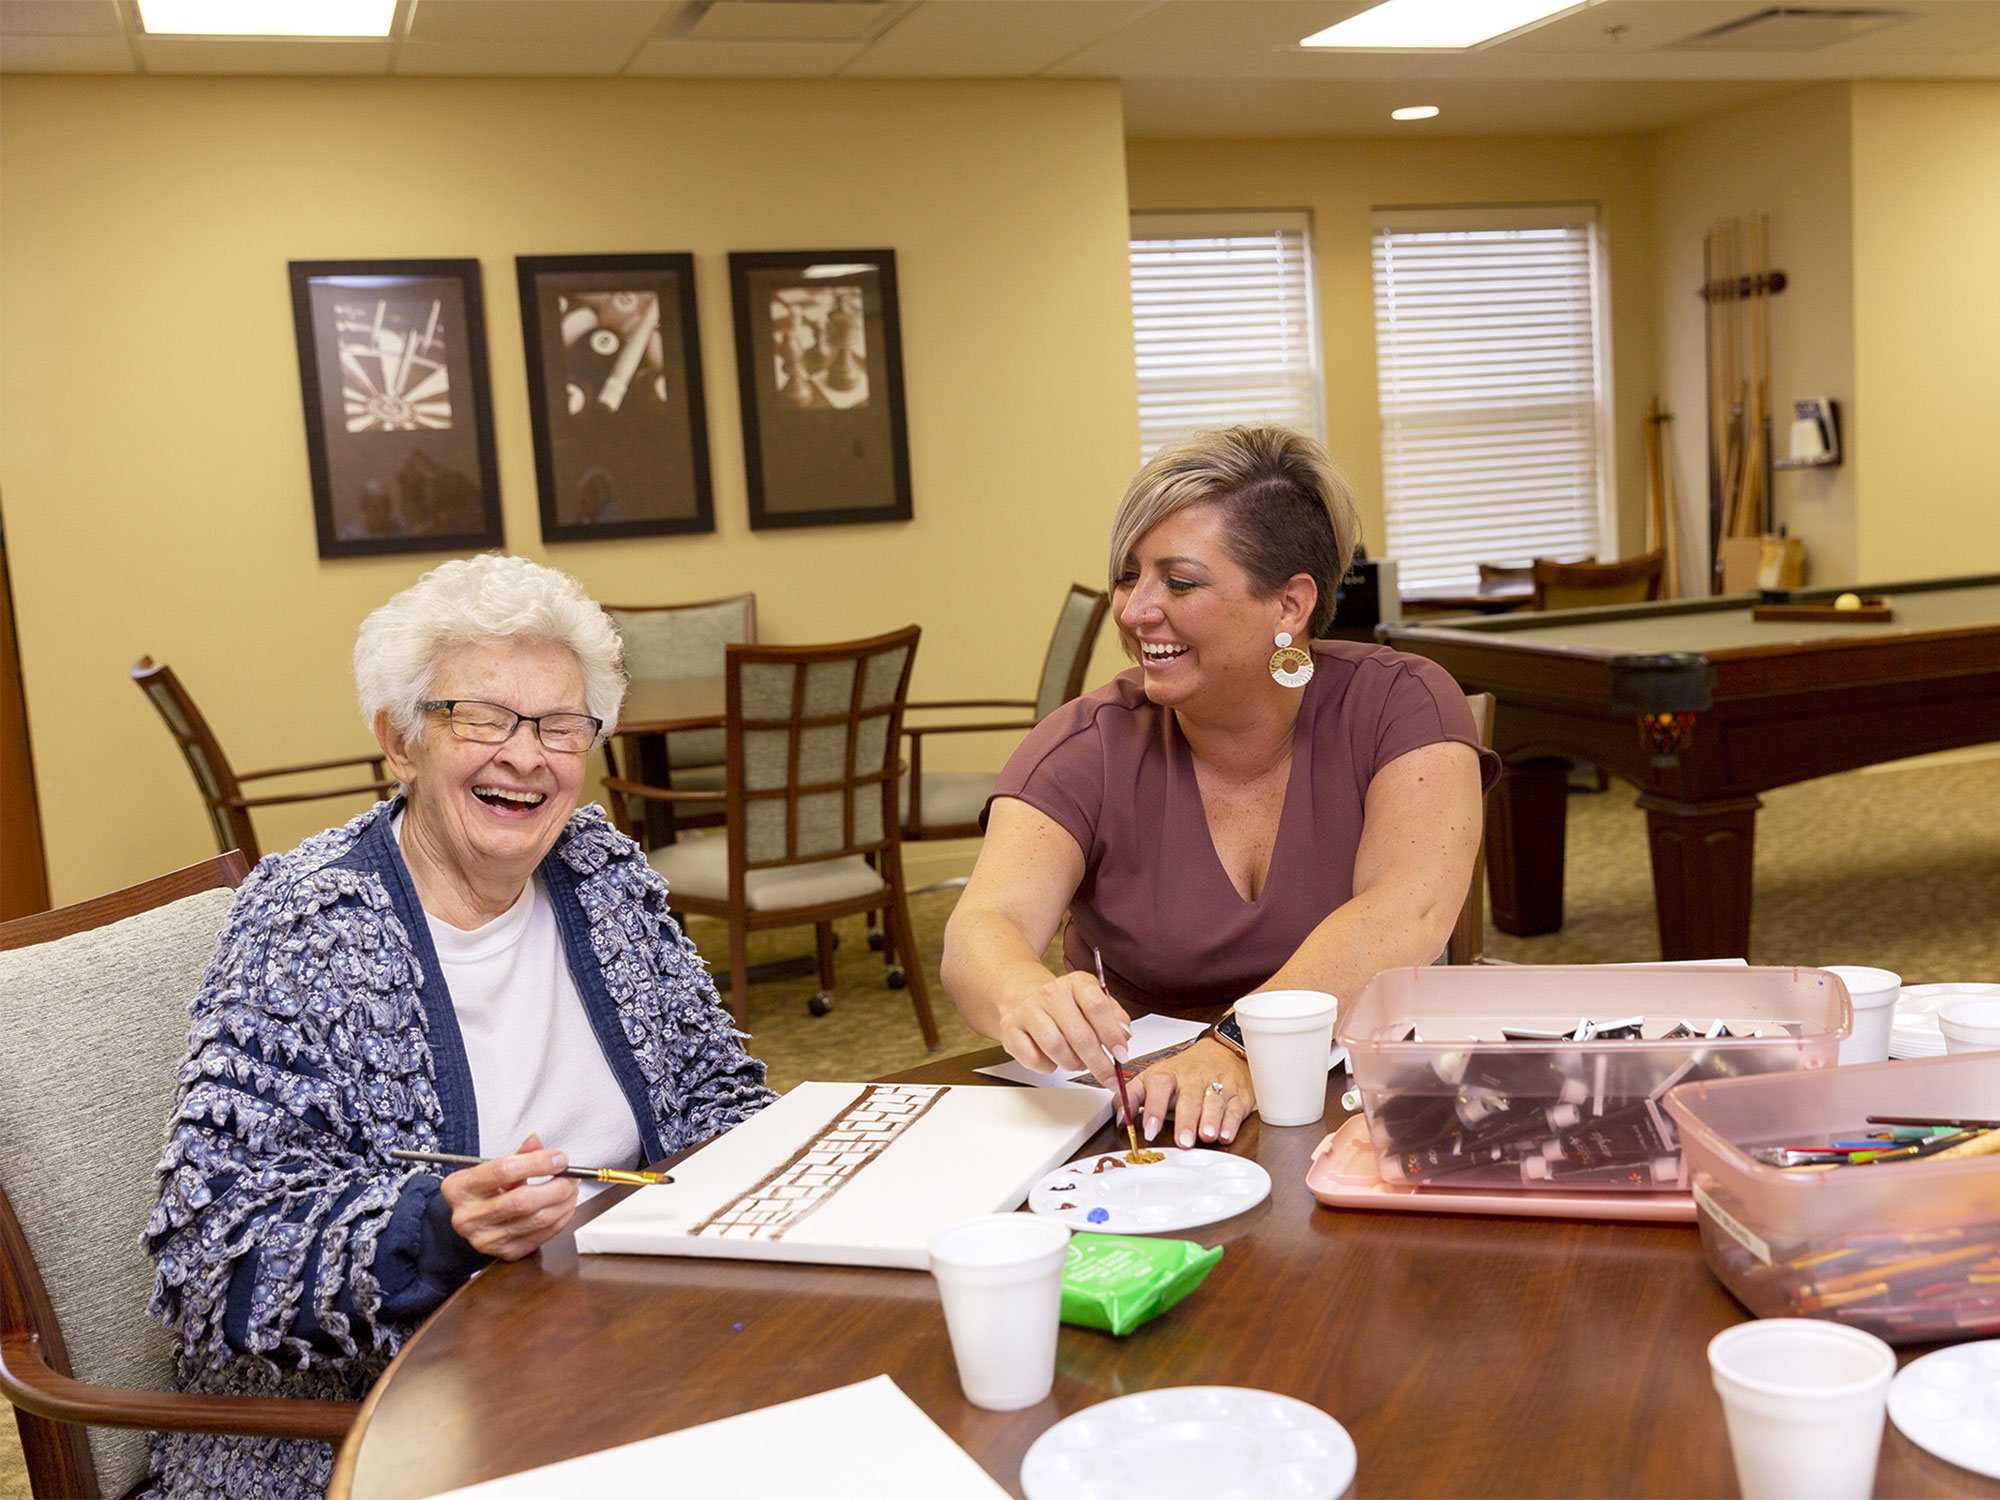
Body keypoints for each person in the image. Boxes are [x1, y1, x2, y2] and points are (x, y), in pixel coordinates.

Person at [143, 555, 772, 1500]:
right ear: (399, 741)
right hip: (384, 1417)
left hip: (621, 1334)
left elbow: (720, 1096)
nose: (527, 757)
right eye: (481, 718)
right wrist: (436, 1227)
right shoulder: (308, 927)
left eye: (561, 726)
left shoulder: (602, 874)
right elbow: (213, 1247)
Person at [943, 426, 1498, 1153]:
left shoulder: (1404, 705)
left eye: (1178, 581)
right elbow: (981, 929)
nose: (1136, 610)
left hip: (1366, 1100)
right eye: (1128, 576)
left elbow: (1407, 910)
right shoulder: (1086, 747)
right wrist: (1026, 994)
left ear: (1290, 605)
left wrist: (1239, 1043)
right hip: (1160, 1120)